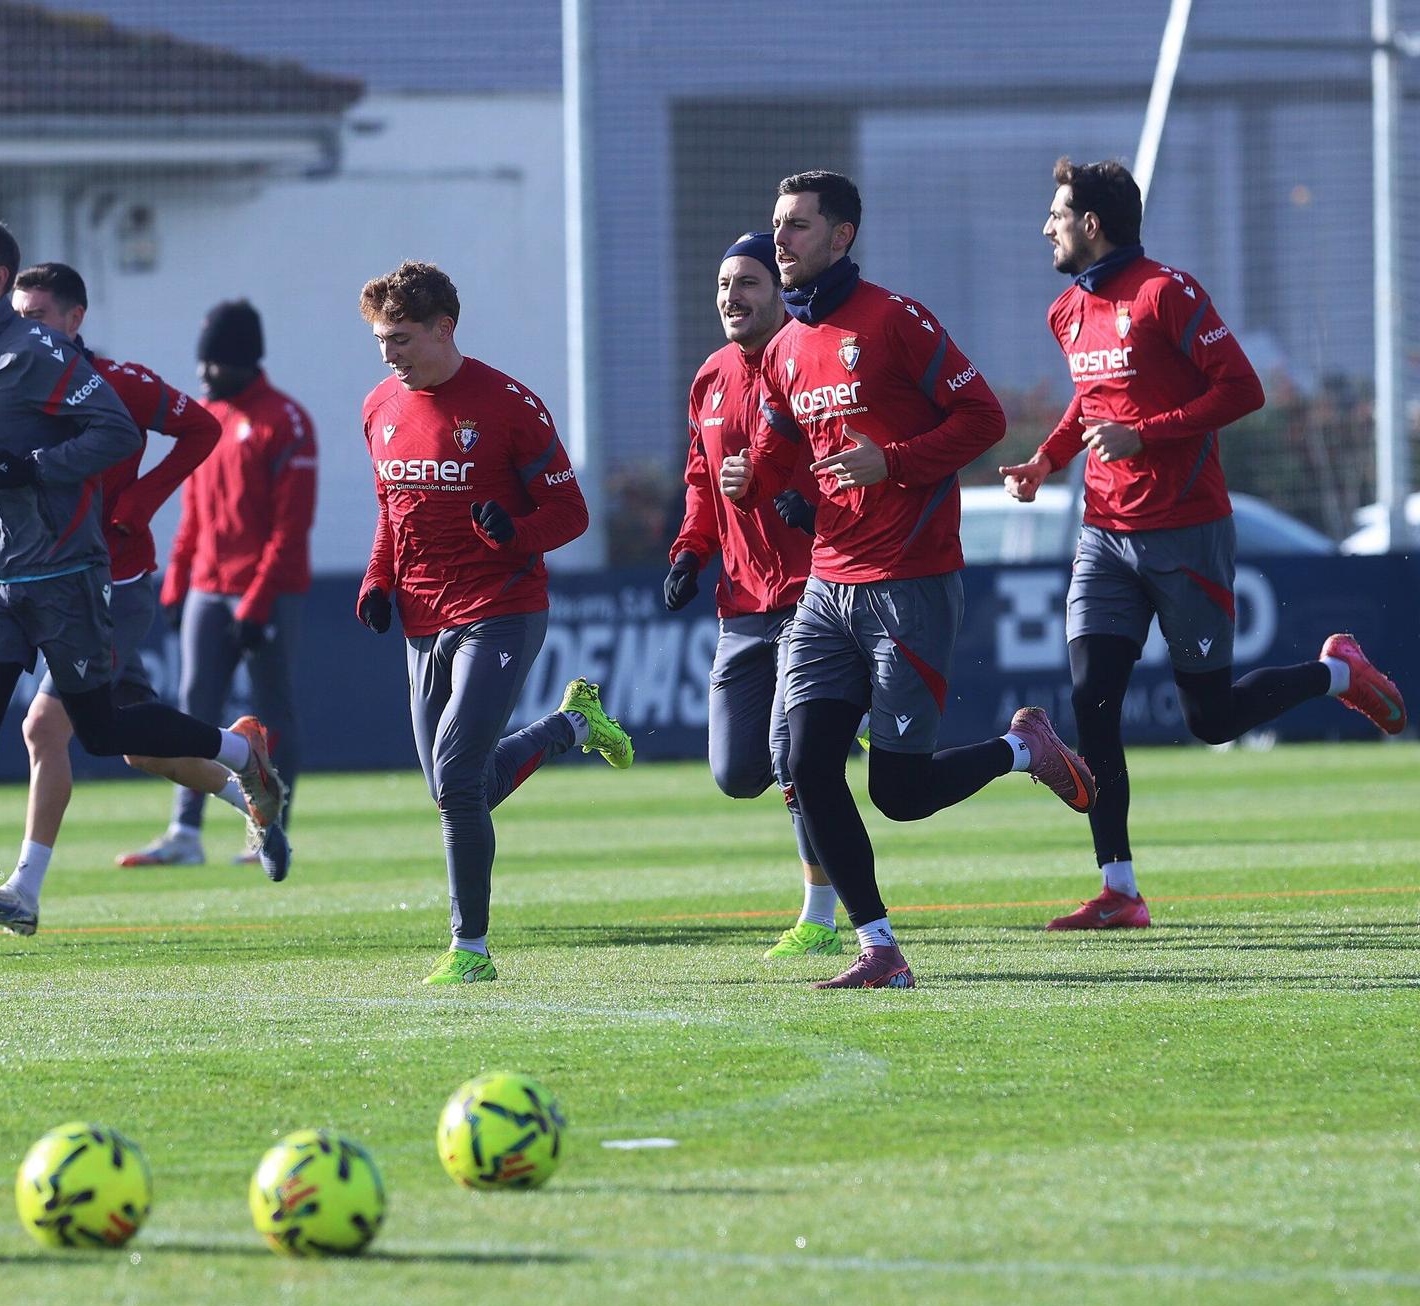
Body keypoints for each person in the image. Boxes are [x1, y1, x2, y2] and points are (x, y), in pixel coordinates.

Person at [1001, 157, 1406, 931]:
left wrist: (1143, 435)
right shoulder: (1065, 310)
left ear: (1092, 223)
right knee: (1092, 699)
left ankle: (1335, 672)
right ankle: (1119, 888)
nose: (1045, 225)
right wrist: (1048, 461)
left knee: (1211, 718)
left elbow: (1242, 389)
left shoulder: (1167, 292)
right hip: (1104, 536)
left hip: (1186, 531)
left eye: (1056, 213)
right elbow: (1093, 404)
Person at [725, 171, 1096, 989]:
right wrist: (754, 474)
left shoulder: (895, 321)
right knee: (806, 765)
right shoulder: (784, 347)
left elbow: (983, 420)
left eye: (796, 226)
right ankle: (879, 948)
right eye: (776, 223)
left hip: (910, 584)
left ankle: (1018, 748)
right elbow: (780, 437)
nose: (780, 239)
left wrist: (890, 461)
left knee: (898, 791)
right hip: (826, 588)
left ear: (841, 237)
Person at [0, 216, 285, 947]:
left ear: (0, 281)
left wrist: (41, 472)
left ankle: (242, 756)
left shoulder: (41, 354)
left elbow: (117, 434)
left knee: (106, 732)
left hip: (67, 578)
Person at [356, 260, 633, 985]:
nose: (389, 354)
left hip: (500, 611)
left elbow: (570, 515)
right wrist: (377, 579)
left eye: (402, 338)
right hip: (421, 615)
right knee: (455, 786)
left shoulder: (510, 405)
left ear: (444, 327)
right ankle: (570, 727)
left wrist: (512, 531)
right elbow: (392, 508)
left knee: (454, 775)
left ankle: (469, 950)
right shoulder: (379, 407)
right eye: (381, 340)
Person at [665, 230, 839, 959]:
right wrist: (688, 551)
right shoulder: (709, 377)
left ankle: (822, 914)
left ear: (778, 290)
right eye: (724, 285)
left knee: (795, 759)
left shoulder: (811, 359)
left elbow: (844, 454)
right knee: (738, 771)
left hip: (813, 593)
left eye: (749, 284)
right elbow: (703, 482)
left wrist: (815, 509)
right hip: (741, 602)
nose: (731, 298)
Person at [124, 301, 317, 868]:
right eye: (202, 362)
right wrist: (176, 583)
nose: (204, 374)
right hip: (208, 587)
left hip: (268, 593)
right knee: (191, 709)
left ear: (245, 359)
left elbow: (291, 526)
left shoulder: (285, 421)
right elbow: (193, 513)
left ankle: (269, 829)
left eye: (216, 363)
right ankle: (185, 831)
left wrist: (257, 602)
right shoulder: (208, 417)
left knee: (273, 712)